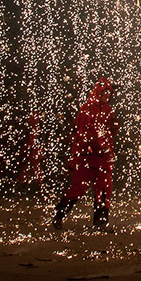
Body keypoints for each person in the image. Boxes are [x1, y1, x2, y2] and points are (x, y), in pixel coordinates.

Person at [52, 77, 118, 230]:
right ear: (98, 92)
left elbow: (106, 132)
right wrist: (103, 146)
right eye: (104, 92)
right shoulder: (87, 109)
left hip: (102, 157)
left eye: (109, 93)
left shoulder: (108, 110)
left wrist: (112, 132)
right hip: (86, 156)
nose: (107, 95)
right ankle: (59, 215)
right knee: (79, 188)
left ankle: (100, 222)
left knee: (104, 188)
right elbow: (91, 131)